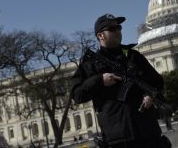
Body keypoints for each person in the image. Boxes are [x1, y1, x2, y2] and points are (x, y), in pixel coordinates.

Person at [71, 13, 167, 148]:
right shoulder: (90, 64)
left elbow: (157, 82)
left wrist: (149, 95)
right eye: (112, 29)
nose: (117, 31)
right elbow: (77, 95)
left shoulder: (134, 56)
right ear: (100, 36)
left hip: (148, 133)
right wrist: (99, 80)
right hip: (118, 139)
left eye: (119, 27)